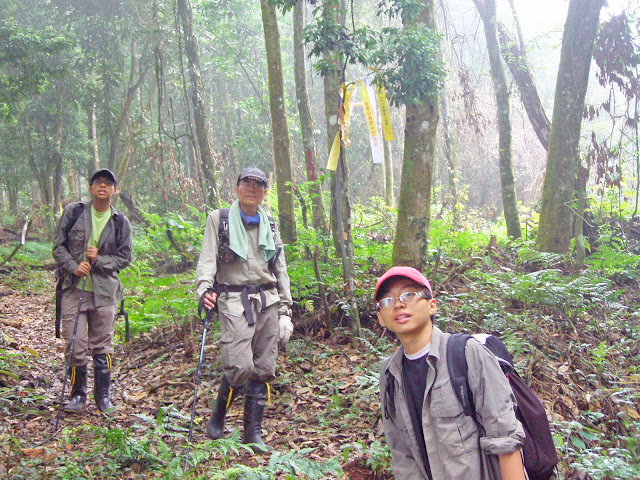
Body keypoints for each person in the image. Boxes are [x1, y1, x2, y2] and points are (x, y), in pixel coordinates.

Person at [375, 266, 526, 480]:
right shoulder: (390, 374)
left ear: (432, 306)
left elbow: (505, 438)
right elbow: (401, 452)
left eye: (409, 294)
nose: (398, 304)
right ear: (381, 317)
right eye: (387, 300)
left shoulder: (466, 354)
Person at [195, 167, 293, 453]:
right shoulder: (220, 219)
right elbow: (207, 258)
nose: (252, 188)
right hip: (234, 298)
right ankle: (219, 413)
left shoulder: (270, 224)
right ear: (237, 188)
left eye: (259, 184)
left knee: (264, 368)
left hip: (268, 300)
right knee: (240, 365)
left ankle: (252, 433)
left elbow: (280, 268)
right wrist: (203, 289)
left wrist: (286, 308)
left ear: (265, 192)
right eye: (246, 183)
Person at [53, 168, 132, 414]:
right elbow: (58, 247)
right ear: (90, 188)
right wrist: (74, 267)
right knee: (75, 343)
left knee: (102, 346)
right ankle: (78, 395)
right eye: (98, 182)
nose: (103, 186)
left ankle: (103, 396)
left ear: (115, 190)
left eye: (108, 183)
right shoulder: (74, 212)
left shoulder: (120, 221)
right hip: (74, 288)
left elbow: (125, 258)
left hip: (106, 291)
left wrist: (99, 260)